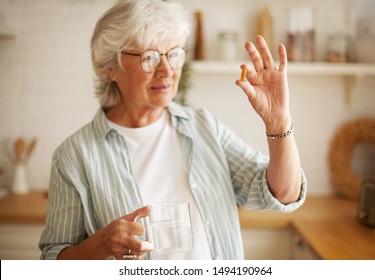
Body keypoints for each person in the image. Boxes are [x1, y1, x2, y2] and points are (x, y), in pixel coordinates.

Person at [39, 0, 307, 260]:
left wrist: (279, 123)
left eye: (174, 54)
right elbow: (53, 259)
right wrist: (102, 244)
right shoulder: (74, 156)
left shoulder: (204, 127)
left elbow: (284, 193)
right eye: (149, 57)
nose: (166, 71)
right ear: (109, 66)